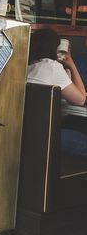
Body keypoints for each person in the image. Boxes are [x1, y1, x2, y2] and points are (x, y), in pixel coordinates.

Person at [27, 28, 87, 156]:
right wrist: (71, 64)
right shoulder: (52, 66)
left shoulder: (28, 67)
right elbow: (81, 100)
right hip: (46, 135)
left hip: (27, 133)